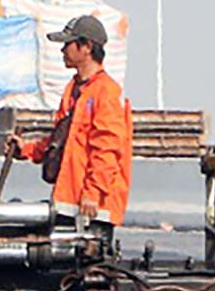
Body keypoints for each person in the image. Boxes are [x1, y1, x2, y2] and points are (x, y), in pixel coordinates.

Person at [18, 15, 132, 233]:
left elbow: (107, 148)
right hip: (71, 201)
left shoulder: (105, 92)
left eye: (67, 44)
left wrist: (93, 192)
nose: (63, 50)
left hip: (93, 208)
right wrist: (26, 149)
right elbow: (62, 141)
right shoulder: (74, 90)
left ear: (87, 47)